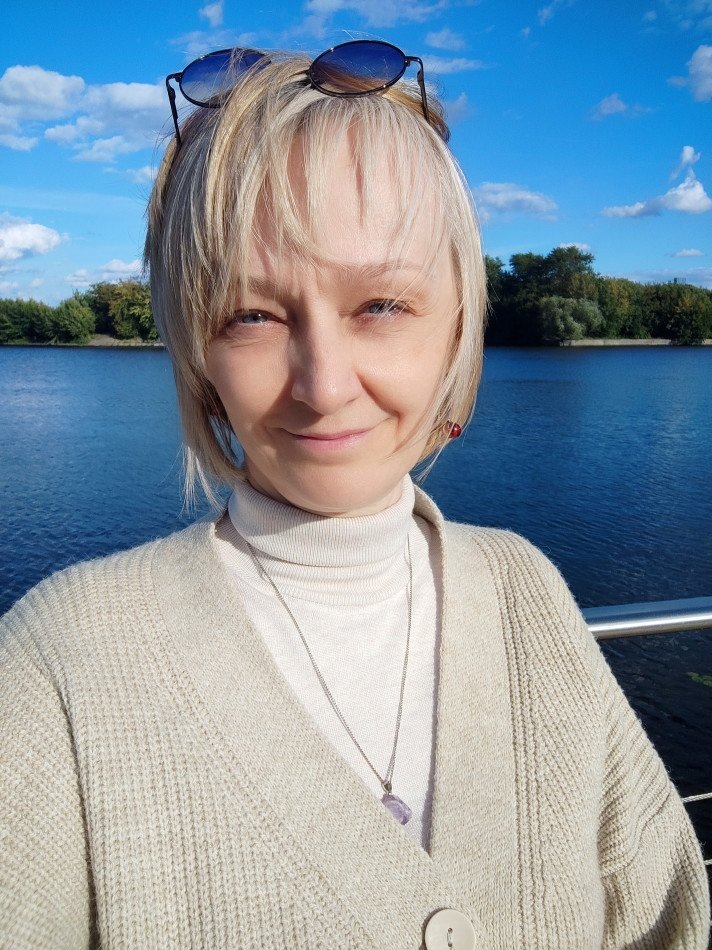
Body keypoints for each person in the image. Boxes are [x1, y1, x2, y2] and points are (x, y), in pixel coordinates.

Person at [0, 42, 708, 950]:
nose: (324, 386)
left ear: (458, 323)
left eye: (381, 305)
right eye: (252, 315)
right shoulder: (60, 667)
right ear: (198, 351)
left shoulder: (526, 591)